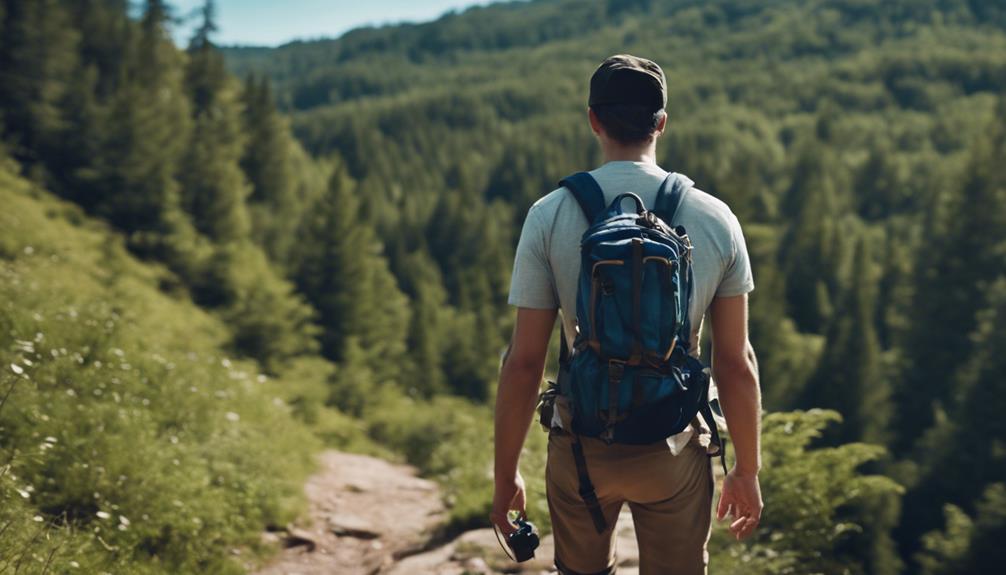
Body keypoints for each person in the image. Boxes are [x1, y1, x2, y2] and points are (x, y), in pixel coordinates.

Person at [491, 54, 763, 575]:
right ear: (661, 122)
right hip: (675, 446)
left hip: (581, 444)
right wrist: (746, 470)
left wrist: (506, 475)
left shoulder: (549, 216)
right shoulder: (715, 218)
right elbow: (736, 361)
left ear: (593, 119)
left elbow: (524, 362)